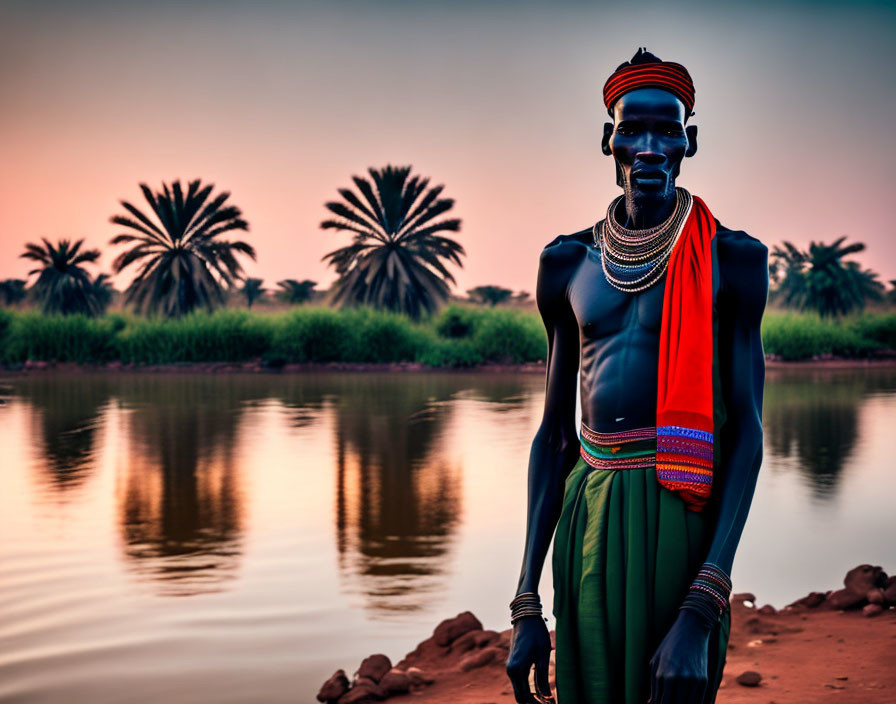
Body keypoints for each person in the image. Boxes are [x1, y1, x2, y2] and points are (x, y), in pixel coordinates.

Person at [505, 48, 768, 704]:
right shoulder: (565, 264)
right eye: (633, 129)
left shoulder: (732, 259)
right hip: (587, 512)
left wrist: (703, 603)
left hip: (682, 515)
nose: (650, 147)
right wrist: (527, 603)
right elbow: (554, 439)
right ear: (608, 140)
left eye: (668, 131)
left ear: (690, 142)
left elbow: (748, 435)